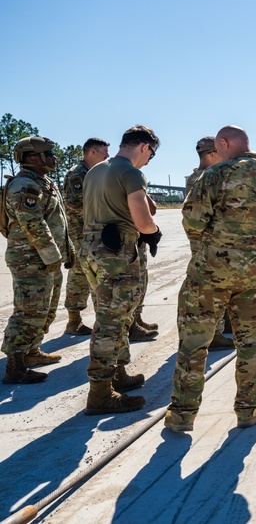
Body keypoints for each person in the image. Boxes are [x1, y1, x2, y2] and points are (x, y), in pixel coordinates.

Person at [165, 126, 256, 432]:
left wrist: (218, 244)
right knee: (250, 343)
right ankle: (250, 409)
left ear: (224, 144)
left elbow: (193, 221)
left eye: (217, 146)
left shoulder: (214, 176)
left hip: (209, 275)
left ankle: (182, 414)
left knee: (194, 343)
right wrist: (252, 246)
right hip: (254, 277)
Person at [80, 125, 161, 414]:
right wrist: (153, 231)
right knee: (112, 321)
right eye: (152, 153)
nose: (150, 160)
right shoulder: (130, 172)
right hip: (116, 253)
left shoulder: (95, 170)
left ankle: (118, 375)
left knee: (113, 315)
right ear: (144, 147)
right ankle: (100, 393)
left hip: (91, 249)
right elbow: (143, 220)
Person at [2, 137, 72, 384]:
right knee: (28, 311)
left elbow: (58, 220)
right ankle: (15, 366)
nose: (54, 157)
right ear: (33, 157)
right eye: (49, 153)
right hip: (30, 259)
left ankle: (31, 352)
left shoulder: (43, 182)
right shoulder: (24, 186)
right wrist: (52, 255)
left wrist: (68, 249)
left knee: (46, 309)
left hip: (46, 257)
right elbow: (33, 223)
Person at [184, 136, 234, 351]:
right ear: (212, 154)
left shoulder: (193, 177)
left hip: (200, 240)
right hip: (212, 241)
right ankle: (215, 334)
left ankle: (219, 327)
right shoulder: (210, 177)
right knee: (215, 286)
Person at [61, 137, 110, 335]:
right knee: (85, 274)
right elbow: (74, 202)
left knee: (84, 274)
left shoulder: (94, 173)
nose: (108, 156)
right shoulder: (78, 174)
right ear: (92, 152)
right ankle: (79, 321)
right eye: (104, 152)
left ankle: (84, 320)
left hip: (92, 229)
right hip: (80, 231)